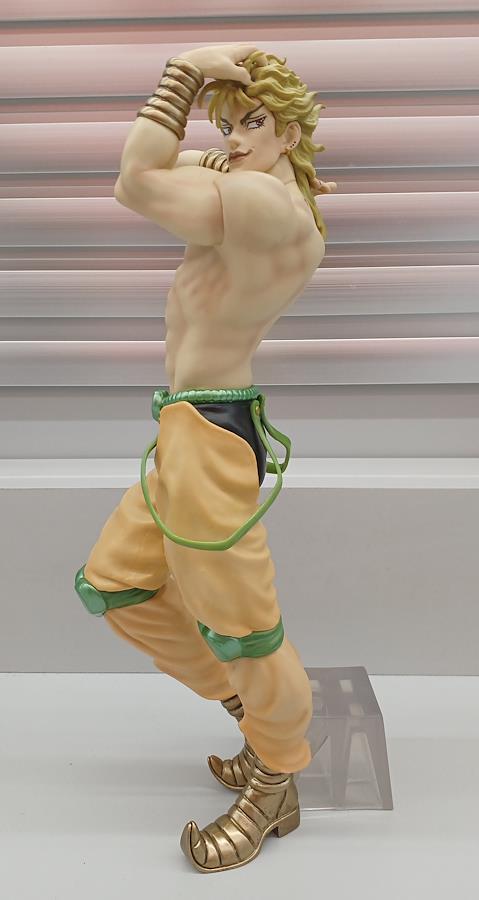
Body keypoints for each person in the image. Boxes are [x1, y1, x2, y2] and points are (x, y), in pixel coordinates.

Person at [74, 44, 335, 873]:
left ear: (289, 130)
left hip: (210, 438)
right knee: (117, 584)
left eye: (252, 121)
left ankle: (277, 774)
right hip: (187, 428)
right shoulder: (259, 192)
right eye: (227, 124)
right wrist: (215, 150)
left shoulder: (260, 203)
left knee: (244, 630)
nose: (233, 138)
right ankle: (255, 724)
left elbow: (135, 181)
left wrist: (182, 74)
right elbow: (175, 170)